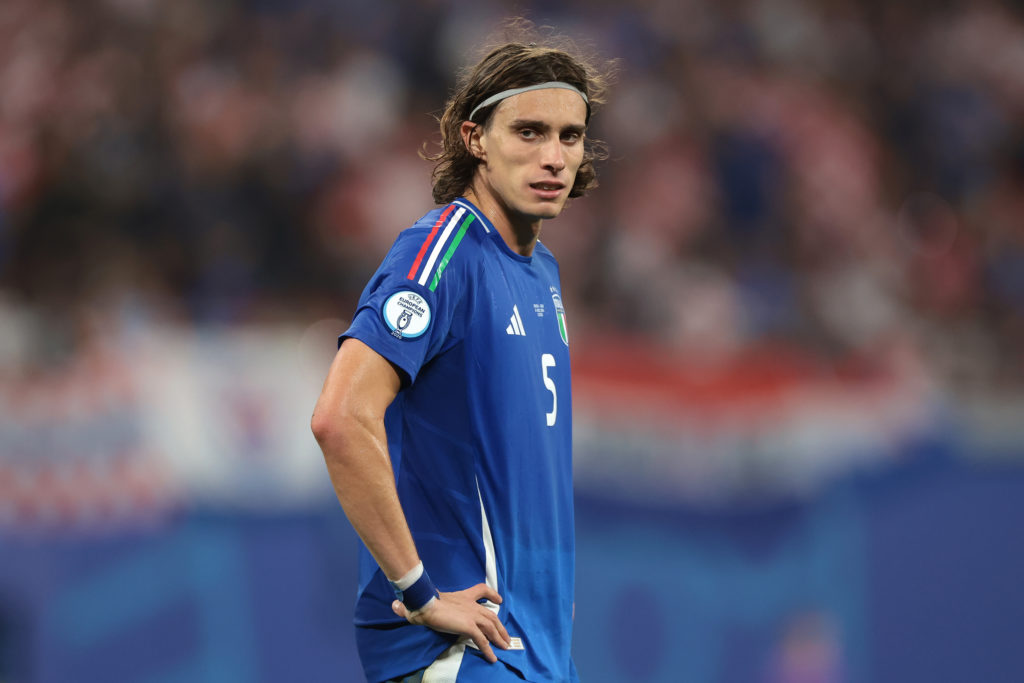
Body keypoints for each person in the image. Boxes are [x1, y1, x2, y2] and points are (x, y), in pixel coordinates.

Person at [311, 25, 611, 683]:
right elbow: (340, 418)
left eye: (570, 135)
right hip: (457, 656)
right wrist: (418, 590)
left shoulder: (542, 273)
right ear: (475, 138)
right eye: (528, 132)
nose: (554, 156)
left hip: (532, 650)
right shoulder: (440, 252)